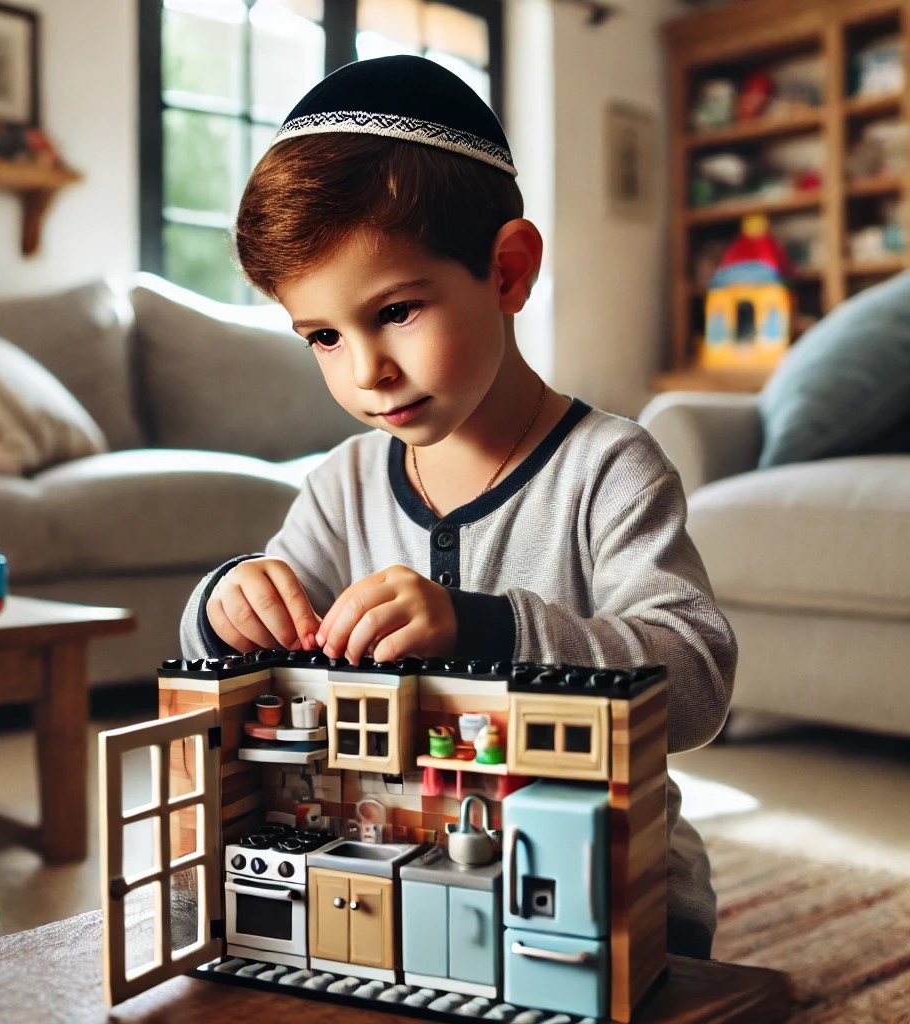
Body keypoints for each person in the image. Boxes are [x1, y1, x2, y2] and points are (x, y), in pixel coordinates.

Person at [180, 55, 737, 960]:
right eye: (323, 336)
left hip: (608, 891)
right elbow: (256, 656)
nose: (366, 372)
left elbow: (699, 683)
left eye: (396, 310)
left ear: (508, 272)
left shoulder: (610, 468)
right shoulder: (342, 484)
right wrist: (228, 600)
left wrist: (484, 629)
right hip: (387, 874)